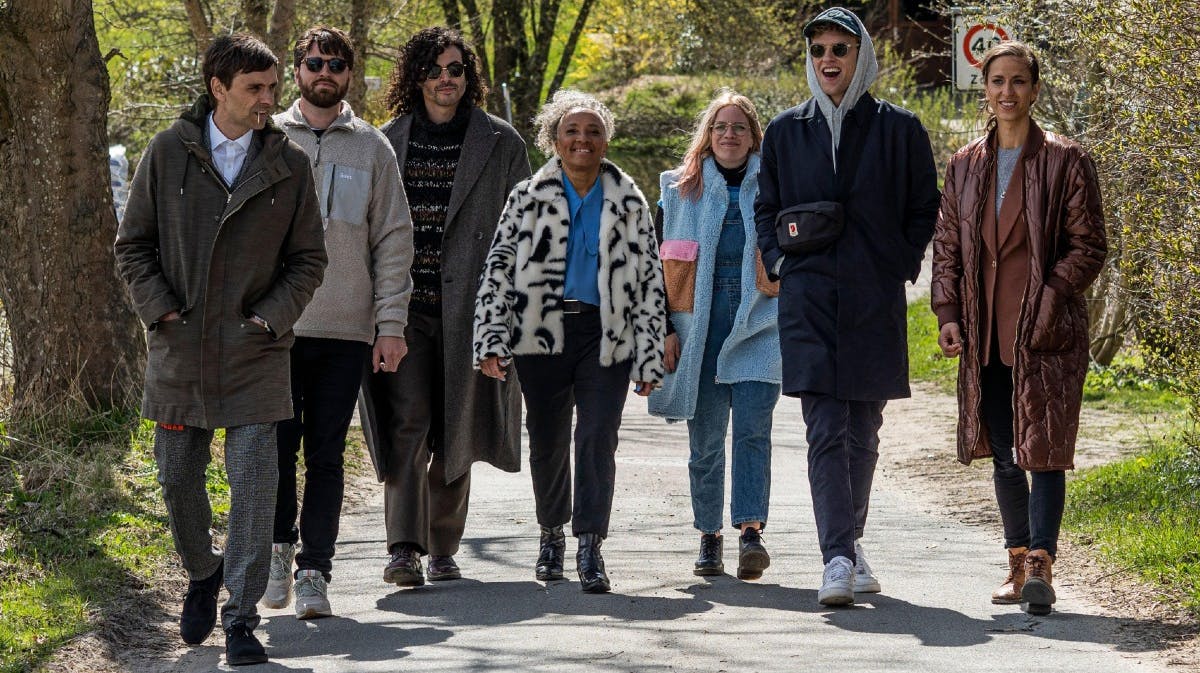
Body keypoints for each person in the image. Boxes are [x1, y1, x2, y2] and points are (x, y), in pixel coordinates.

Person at [114, 34, 326, 665]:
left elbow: (309, 259)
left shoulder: (288, 164)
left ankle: (240, 619)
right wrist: (162, 310)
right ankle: (203, 570)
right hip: (180, 349)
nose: (269, 99)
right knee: (178, 477)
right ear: (218, 88)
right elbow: (133, 246)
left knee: (256, 485)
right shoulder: (167, 151)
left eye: (271, 86)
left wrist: (269, 319)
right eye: (254, 88)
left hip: (256, 351)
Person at [754, 6, 940, 606]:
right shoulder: (785, 130)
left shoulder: (901, 129)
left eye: (840, 49)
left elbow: (923, 207)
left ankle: (851, 543)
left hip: (872, 297)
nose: (828, 60)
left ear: (862, 56)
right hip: (808, 301)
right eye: (819, 51)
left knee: (865, 429)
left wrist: (901, 264)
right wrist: (780, 262)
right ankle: (835, 556)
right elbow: (766, 207)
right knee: (825, 429)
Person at [931, 40, 1106, 616]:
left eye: (1018, 82)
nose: (1007, 92)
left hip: (1045, 330)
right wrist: (949, 313)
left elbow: (1088, 246)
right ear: (985, 89)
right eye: (997, 81)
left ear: (1035, 89)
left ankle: (1041, 565)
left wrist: (1052, 296)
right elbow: (950, 247)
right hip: (983, 330)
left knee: (1046, 450)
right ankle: (1015, 561)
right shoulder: (963, 165)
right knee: (1006, 451)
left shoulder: (1065, 158)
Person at [473, 89, 666, 593]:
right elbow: (498, 268)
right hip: (541, 333)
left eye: (593, 131)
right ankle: (551, 534)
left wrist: (649, 356)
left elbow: (649, 279)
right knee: (549, 438)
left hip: (608, 335)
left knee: (598, 436)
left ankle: (589, 545)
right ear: (554, 140)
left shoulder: (629, 199)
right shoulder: (526, 196)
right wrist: (491, 336)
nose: (583, 139)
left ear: (605, 141)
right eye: (572, 131)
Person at [362, 26, 531, 587]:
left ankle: (443, 548)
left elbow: (522, 236)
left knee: (458, 430)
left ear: (468, 77)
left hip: (472, 313)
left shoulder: (502, 143)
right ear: (415, 77)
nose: (444, 79)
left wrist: (507, 321)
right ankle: (403, 549)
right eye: (433, 70)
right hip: (403, 311)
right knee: (407, 424)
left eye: (455, 69)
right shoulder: (385, 141)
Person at [266, 25, 414, 619]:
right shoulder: (265, 138)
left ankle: (313, 573)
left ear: (350, 74)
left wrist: (390, 324)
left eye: (336, 63)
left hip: (345, 330)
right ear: (297, 70)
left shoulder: (373, 149)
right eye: (313, 62)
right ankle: (277, 551)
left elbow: (394, 241)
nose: (324, 71)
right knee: (273, 449)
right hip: (274, 329)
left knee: (325, 453)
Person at [648, 90, 782, 580]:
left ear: (754, 137)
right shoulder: (676, 189)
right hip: (696, 326)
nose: (729, 135)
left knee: (752, 431)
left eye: (739, 128)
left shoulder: (774, 184)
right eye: (720, 127)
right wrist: (662, 328)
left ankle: (750, 532)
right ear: (707, 134)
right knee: (705, 440)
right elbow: (653, 268)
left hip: (759, 319)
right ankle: (709, 535)